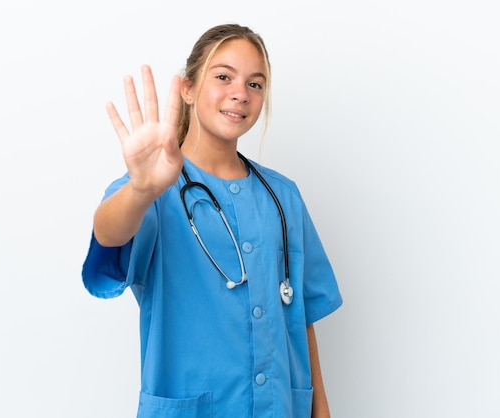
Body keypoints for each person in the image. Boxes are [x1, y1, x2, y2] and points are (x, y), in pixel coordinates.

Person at [82, 23, 342, 418]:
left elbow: (301, 320)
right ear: (188, 88)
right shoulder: (155, 189)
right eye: (224, 77)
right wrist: (139, 190)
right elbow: (107, 242)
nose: (241, 93)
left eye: (256, 84)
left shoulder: (283, 196)